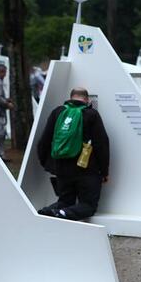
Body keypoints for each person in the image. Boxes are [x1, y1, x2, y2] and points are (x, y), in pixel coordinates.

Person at [37, 88, 109, 221]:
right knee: (88, 206)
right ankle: (62, 214)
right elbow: (101, 144)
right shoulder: (91, 114)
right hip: (87, 169)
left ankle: (47, 212)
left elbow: (44, 141)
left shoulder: (58, 112)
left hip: (62, 169)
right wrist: (104, 171)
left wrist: (50, 166)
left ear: (70, 98)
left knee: (65, 201)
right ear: (87, 100)